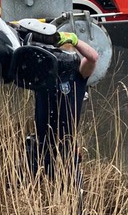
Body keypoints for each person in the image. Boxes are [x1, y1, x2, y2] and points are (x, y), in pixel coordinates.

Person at [31, 31, 99, 176]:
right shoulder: (43, 74)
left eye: (66, 51)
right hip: (42, 144)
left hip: (67, 146)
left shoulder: (79, 74)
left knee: (70, 185)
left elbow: (93, 57)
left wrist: (74, 40)